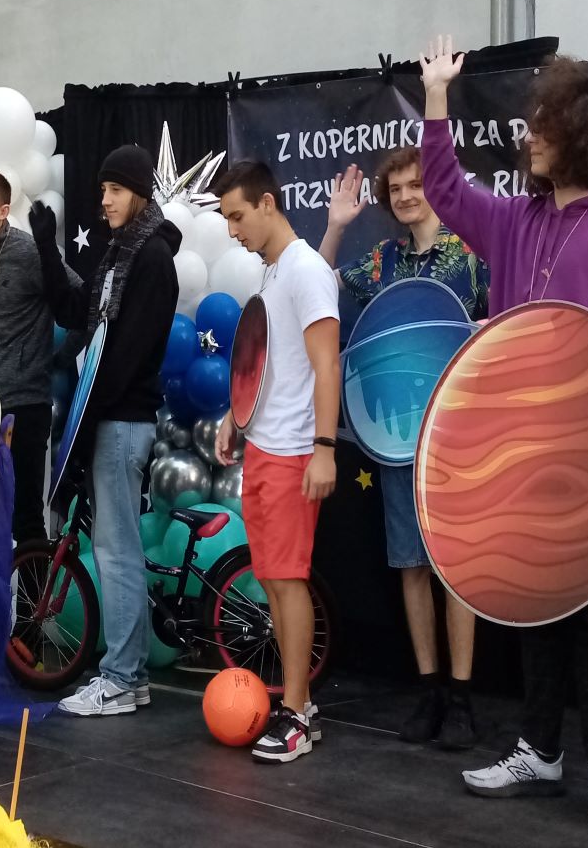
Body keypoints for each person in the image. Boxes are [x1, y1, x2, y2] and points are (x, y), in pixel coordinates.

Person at [418, 35, 588, 826]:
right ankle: (539, 749)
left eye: (543, 126)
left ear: (579, 136)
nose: (528, 136)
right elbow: (444, 187)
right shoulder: (515, 219)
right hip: (519, 446)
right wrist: (436, 96)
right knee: (530, 593)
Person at [318, 146, 489, 750]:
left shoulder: (472, 255)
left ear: (434, 186)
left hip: (458, 435)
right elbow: (318, 284)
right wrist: (336, 227)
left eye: (415, 184)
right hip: (396, 438)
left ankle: (462, 699)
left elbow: (505, 324)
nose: (407, 196)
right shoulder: (382, 261)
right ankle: (430, 690)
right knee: (412, 565)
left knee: (455, 567)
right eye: (396, 190)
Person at [27, 145, 180, 716]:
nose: (105, 201)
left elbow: (127, 355)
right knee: (116, 548)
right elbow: (75, 311)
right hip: (109, 420)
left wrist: (87, 422)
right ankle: (127, 676)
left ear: (138, 192)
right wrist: (47, 246)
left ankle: (120, 678)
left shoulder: (152, 257)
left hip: (122, 422)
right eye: (102, 191)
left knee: (117, 552)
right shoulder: (119, 253)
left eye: (115, 190)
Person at [213, 160, 340, 763]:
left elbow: (326, 364)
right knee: (270, 579)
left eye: (238, 215)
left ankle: (296, 713)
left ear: (268, 203)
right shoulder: (273, 273)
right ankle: (297, 705)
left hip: (294, 452)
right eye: (226, 219)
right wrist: (234, 417)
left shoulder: (306, 270)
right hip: (264, 446)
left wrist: (324, 448)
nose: (232, 230)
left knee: (288, 582)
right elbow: (267, 364)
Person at [0, 169, 65, 546]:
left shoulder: (28, 252)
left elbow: (76, 300)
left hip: (24, 405)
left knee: (25, 517)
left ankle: (35, 590)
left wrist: (54, 358)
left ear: (3, 210)